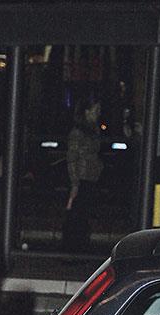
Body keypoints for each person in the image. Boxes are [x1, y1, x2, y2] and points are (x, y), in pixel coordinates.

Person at [62, 97, 104, 253]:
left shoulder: (92, 130)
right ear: (86, 112)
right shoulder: (79, 132)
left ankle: (77, 247)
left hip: (89, 177)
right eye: (95, 110)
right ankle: (72, 247)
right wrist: (74, 183)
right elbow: (72, 158)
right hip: (82, 177)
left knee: (81, 215)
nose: (98, 113)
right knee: (76, 215)